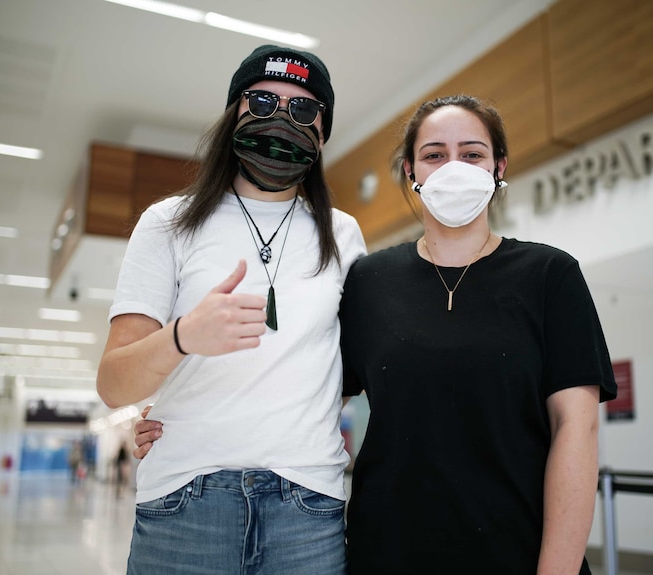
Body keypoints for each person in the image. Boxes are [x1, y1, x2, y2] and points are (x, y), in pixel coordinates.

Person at [135, 94, 617, 573]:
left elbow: (576, 427)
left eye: (472, 154)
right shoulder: (371, 280)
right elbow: (311, 387)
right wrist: (188, 413)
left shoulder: (550, 275)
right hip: (386, 551)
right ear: (411, 172)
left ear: (499, 167)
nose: (454, 167)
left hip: (515, 547)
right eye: (434, 155)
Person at [97, 44, 365, 575]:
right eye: (262, 102)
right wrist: (182, 337)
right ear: (233, 114)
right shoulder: (168, 222)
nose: (282, 118)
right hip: (186, 498)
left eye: (304, 109)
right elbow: (114, 385)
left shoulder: (343, 233)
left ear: (322, 130)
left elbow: (354, 367)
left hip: (306, 503)